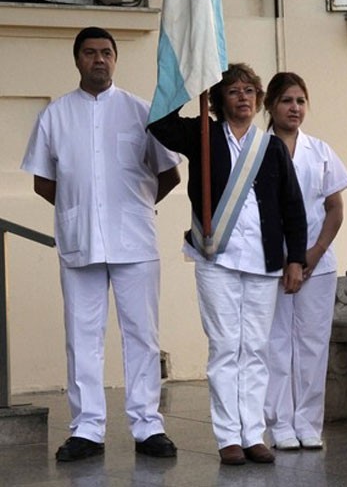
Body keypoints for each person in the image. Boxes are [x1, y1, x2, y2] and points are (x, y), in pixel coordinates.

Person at [20, 26, 181, 462]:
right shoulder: (55, 115)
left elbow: (169, 174)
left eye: (106, 53)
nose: (99, 60)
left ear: (115, 59)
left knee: (142, 336)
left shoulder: (140, 111)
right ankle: (87, 428)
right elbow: (42, 180)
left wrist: (133, 207)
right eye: (90, 53)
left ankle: (148, 426)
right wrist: (81, 208)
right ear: (77, 60)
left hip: (135, 241)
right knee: (82, 337)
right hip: (80, 242)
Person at [148, 63, 307, 466]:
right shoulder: (203, 136)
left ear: (259, 100)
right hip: (216, 258)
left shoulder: (269, 146)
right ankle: (228, 437)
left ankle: (254, 433)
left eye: (250, 91)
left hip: (264, 261)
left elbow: (292, 206)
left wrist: (295, 259)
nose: (243, 97)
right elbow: (160, 123)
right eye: (233, 91)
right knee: (224, 347)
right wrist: (191, 84)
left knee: (254, 348)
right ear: (219, 100)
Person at [263, 72, 347, 450]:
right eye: (286, 100)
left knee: (313, 345)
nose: (295, 108)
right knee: (277, 344)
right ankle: (280, 423)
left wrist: (311, 255)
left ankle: (308, 423)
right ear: (269, 106)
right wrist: (287, 259)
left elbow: (335, 209)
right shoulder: (257, 149)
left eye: (300, 100)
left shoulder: (320, 151)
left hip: (318, 263)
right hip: (271, 264)